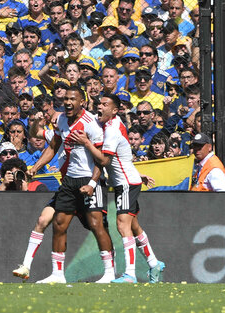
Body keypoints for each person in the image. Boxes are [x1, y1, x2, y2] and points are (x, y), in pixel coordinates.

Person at [70, 94, 165, 283]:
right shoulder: (111, 122)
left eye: (105, 105)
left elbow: (105, 160)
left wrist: (86, 143)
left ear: (115, 110)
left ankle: (130, 273)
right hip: (129, 179)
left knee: (123, 225)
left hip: (125, 184)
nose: (100, 107)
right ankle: (154, 263)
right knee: (134, 226)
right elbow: (124, 157)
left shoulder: (112, 129)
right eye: (99, 104)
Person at [25, 86, 114, 284]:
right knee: (58, 224)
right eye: (65, 99)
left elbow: (101, 159)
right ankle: (57, 275)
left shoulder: (91, 124)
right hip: (69, 181)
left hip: (90, 179)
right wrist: (36, 167)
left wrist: (92, 182)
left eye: (72, 99)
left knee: (96, 225)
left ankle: (109, 273)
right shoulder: (62, 120)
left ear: (82, 102)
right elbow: (54, 146)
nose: (68, 102)